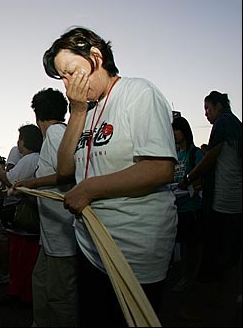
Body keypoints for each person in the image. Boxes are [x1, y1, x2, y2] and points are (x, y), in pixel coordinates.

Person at [44, 26, 177, 326]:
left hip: (132, 246)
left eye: (71, 72)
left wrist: (90, 188)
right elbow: (65, 170)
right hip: (91, 245)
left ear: (95, 56)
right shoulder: (86, 111)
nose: (68, 84)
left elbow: (160, 167)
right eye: (62, 78)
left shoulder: (139, 93)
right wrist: (77, 111)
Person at [13, 88, 78, 326]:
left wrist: (31, 183)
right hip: (50, 235)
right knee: (40, 282)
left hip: (63, 236)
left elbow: (67, 173)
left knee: (60, 296)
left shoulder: (56, 135)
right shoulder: (60, 134)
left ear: (36, 114)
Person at [177, 91, 242, 321]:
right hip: (235, 203)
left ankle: (201, 309)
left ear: (218, 106)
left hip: (223, 202)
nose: (206, 114)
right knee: (229, 255)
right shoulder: (236, 124)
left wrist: (188, 178)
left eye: (207, 108)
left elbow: (211, 159)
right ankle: (225, 301)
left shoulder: (223, 122)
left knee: (211, 256)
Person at [0, 124, 43, 309]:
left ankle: (19, 294)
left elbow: (10, 181)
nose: (17, 143)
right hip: (34, 215)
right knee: (28, 260)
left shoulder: (30, 159)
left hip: (26, 218)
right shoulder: (39, 158)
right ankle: (25, 294)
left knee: (21, 259)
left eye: (19, 139)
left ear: (24, 141)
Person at [170, 116, 203, 293]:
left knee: (191, 246)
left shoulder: (193, 153)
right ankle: (186, 276)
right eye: (172, 130)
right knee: (182, 245)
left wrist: (190, 182)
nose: (174, 134)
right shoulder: (174, 156)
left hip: (191, 208)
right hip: (176, 207)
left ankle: (191, 278)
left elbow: (200, 178)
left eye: (177, 130)